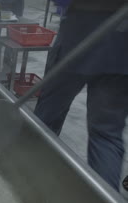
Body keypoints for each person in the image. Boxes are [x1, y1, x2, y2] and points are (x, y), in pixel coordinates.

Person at [34, 0, 128, 191]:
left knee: (45, 121)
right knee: (105, 134)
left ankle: (28, 177)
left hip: (77, 39)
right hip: (120, 50)